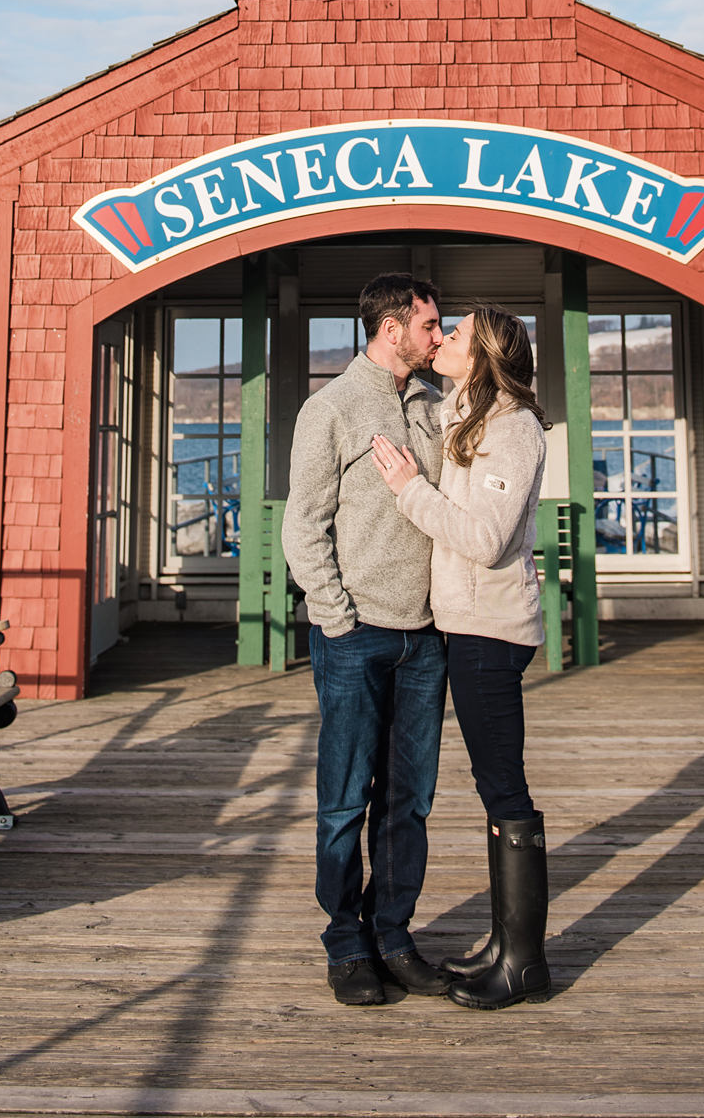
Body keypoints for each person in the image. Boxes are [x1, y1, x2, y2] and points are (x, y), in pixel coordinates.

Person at [372, 305, 551, 1010]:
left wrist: (407, 489)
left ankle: (525, 964)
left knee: (504, 788)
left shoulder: (511, 429)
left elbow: (484, 539)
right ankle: (503, 943)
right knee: (490, 785)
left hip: (491, 631)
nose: (441, 339)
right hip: (466, 625)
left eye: (455, 335)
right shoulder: (471, 415)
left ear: (483, 354)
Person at [281, 272, 451, 1008]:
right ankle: (345, 941)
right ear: (391, 330)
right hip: (354, 638)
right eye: (428, 326)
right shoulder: (331, 409)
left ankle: (393, 934)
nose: (437, 337)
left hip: (427, 638)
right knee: (345, 799)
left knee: (409, 801)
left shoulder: (436, 406)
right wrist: (335, 615)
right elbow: (302, 527)